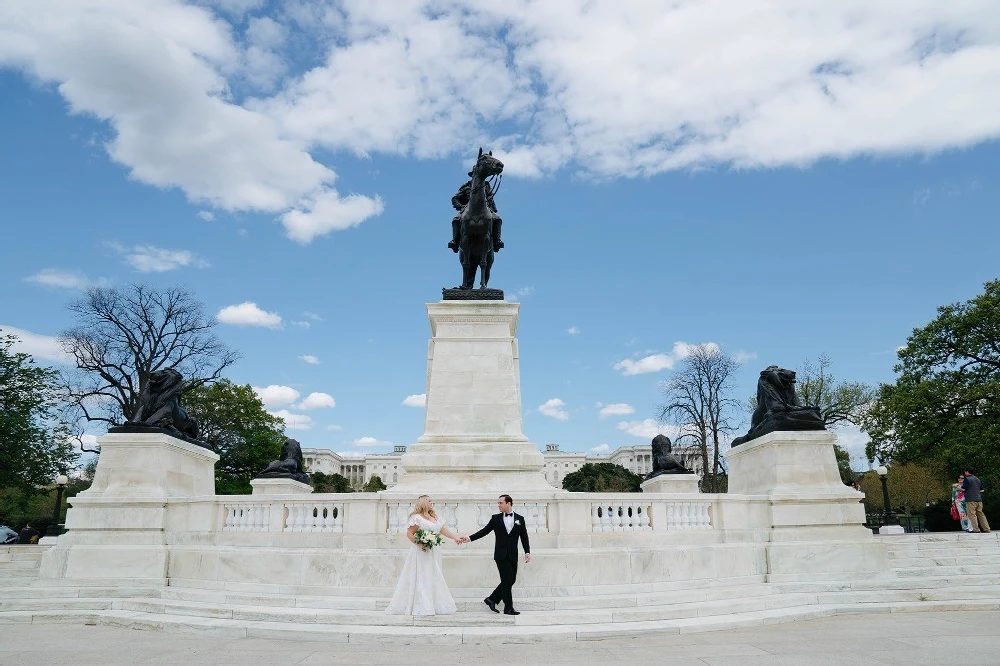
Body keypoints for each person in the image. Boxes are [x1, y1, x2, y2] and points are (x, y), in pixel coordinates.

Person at [385, 495, 462, 616]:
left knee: (433, 575)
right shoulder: (417, 518)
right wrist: (419, 543)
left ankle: (433, 603)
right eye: (429, 501)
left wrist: (455, 538)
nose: (431, 502)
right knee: (423, 575)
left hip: (434, 550)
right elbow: (410, 533)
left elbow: (442, 530)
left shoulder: (434, 517)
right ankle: (423, 605)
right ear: (422, 503)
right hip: (421, 551)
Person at [461, 494, 530, 616]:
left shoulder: (520, 519)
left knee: (511, 580)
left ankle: (492, 599)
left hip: (513, 555)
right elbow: (484, 531)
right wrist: (469, 538)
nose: (498, 505)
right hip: (500, 555)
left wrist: (527, 552)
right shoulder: (495, 519)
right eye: (498, 503)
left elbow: (524, 537)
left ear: (508, 503)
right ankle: (508, 608)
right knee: (506, 580)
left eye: (500, 503)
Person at [962, 468, 991, 533]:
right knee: (981, 514)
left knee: (972, 515)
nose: (965, 473)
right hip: (979, 500)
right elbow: (982, 490)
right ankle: (987, 529)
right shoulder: (977, 479)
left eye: (965, 472)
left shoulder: (967, 479)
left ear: (967, 472)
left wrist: (957, 487)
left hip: (970, 500)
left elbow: (963, 489)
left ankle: (976, 529)